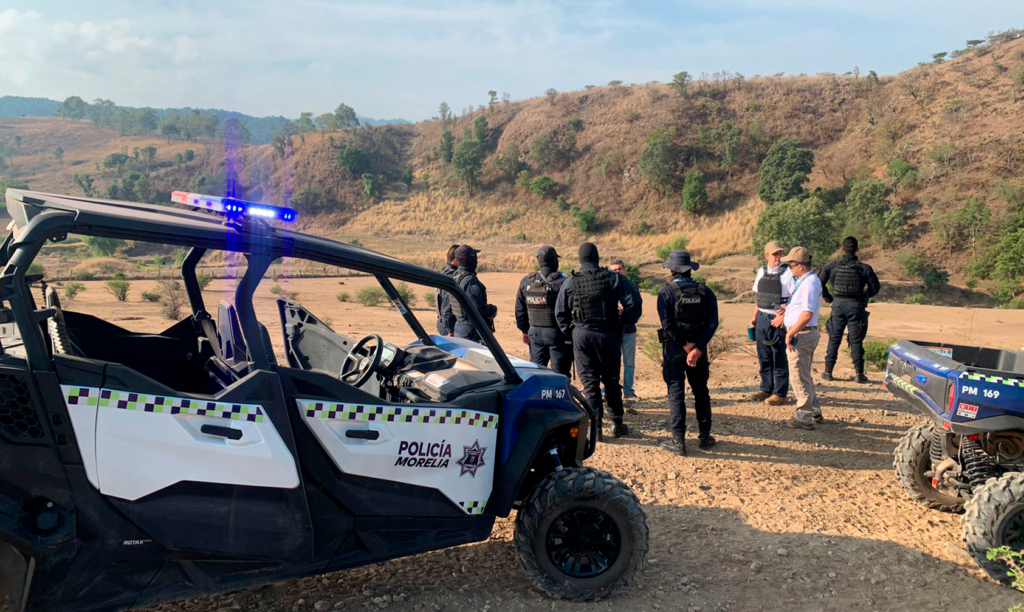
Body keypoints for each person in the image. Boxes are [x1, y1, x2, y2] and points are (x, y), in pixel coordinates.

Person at [555, 243, 640, 438]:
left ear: (580, 260)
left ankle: (596, 428)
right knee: (611, 381)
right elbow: (634, 303)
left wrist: (572, 332)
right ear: (598, 258)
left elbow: (560, 312)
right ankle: (617, 423)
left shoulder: (570, 282)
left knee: (589, 384)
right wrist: (622, 323)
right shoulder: (613, 278)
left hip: (582, 335)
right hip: (608, 334)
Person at [656, 251, 719, 456]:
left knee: (676, 394)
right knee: (701, 392)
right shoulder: (706, 292)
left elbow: (667, 324)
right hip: (698, 353)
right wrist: (697, 348)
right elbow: (712, 323)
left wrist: (685, 346)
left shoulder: (666, 293)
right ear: (690, 269)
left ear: (672, 270)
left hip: (675, 351)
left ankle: (678, 441)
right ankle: (705, 438)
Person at [819, 236, 881, 383]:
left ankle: (828, 372)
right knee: (856, 341)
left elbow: (819, 283)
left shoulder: (831, 266)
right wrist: (864, 297)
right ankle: (859, 374)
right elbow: (875, 288)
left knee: (834, 339)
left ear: (842, 249)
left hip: (838, 306)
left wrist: (829, 299)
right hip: (856, 306)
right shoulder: (865, 268)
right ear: (857, 249)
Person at [776, 247, 824, 430]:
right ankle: (814, 411)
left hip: (801, 334)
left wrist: (790, 333)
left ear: (801, 266)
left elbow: (807, 313)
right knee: (804, 373)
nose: (789, 269)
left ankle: (803, 417)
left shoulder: (809, 283)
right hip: (804, 333)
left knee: (798, 375)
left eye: (791, 265)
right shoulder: (807, 281)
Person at [515, 246, 573, 376]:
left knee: (536, 373)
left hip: (535, 334)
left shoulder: (527, 281)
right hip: (558, 335)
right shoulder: (563, 281)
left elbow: (520, 310)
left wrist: (525, 331)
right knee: (560, 375)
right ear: (554, 261)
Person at [749, 241, 794, 406]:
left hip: (778, 320)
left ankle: (780, 393)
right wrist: (754, 318)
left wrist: (784, 317)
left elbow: (795, 299)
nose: (778, 256)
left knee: (778, 357)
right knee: (764, 356)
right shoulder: (761, 271)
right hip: (762, 318)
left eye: (780, 253)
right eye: (775, 254)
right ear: (766, 255)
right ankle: (766, 389)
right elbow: (759, 297)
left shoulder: (788, 273)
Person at [609, 259, 643, 401]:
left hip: (628, 330)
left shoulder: (632, 286)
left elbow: (637, 307)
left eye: (619, 269)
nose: (617, 272)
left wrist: (625, 310)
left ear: (625, 270)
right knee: (610, 363)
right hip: (611, 331)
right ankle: (608, 390)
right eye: (614, 270)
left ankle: (628, 391)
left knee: (629, 363)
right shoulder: (607, 286)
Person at [451, 245, 497, 342]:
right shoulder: (469, 280)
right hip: (472, 330)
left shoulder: (454, 276)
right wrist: (492, 309)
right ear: (471, 259)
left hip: (459, 327)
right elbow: (477, 308)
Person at [434, 244, 460, 336]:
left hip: (445, 324)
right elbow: (446, 306)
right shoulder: (450, 277)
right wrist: (450, 331)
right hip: (449, 327)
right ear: (455, 260)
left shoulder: (444, 273)